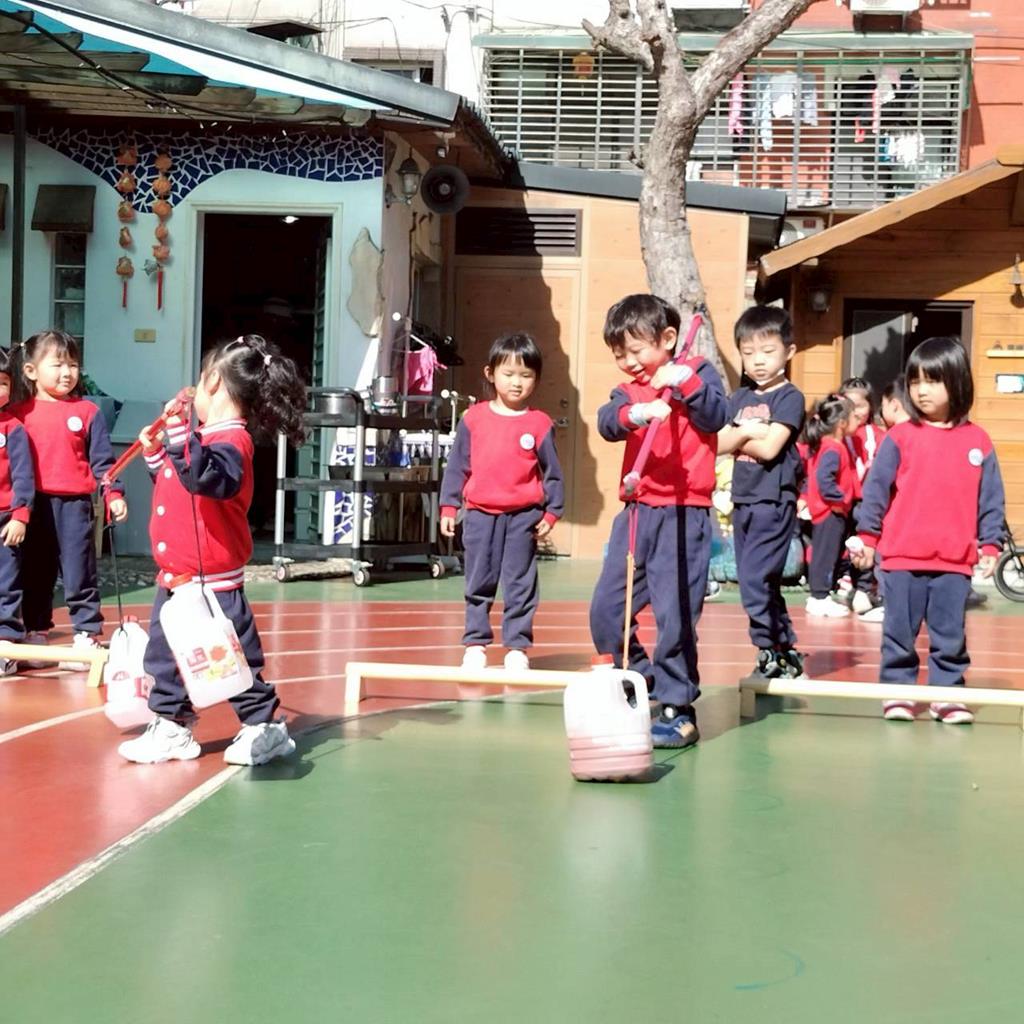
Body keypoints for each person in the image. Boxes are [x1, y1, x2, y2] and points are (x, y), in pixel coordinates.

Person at [118, 335, 307, 764]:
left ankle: (264, 727)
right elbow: (182, 484)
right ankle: (171, 726)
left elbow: (207, 479)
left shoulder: (232, 440)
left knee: (230, 659)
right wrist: (157, 455)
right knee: (165, 659)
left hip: (213, 581)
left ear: (214, 383)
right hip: (178, 576)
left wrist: (179, 437)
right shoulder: (205, 438)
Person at [589, 294, 727, 749]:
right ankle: (642, 677)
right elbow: (607, 422)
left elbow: (717, 415)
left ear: (668, 339)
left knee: (675, 614)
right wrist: (639, 413)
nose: (629, 362)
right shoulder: (630, 391)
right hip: (637, 514)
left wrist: (686, 384)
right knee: (607, 610)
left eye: (636, 350)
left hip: (684, 514)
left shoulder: (697, 372)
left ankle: (677, 706)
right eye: (619, 354)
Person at [853, 337, 1005, 724]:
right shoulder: (900, 437)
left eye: (932, 381)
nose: (921, 390)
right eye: (915, 381)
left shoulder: (978, 441)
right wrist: (868, 537)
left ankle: (946, 695)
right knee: (899, 633)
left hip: (954, 562)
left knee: (950, 636)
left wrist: (990, 545)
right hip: (901, 558)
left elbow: (991, 499)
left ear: (958, 382)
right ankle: (898, 693)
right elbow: (876, 490)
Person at [439, 333, 564, 672]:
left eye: (526, 375)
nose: (516, 382)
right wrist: (449, 506)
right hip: (480, 515)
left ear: (536, 379)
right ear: (490, 374)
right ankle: (475, 644)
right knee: (478, 579)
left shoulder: (540, 424)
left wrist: (552, 513)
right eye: (508, 374)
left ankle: (517, 647)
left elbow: (553, 473)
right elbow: (457, 465)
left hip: (523, 518)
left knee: (520, 583)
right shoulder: (473, 418)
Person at [9, 330, 127, 668]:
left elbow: (104, 462)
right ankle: (36, 630)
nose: (67, 372)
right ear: (31, 371)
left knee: (79, 570)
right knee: (35, 571)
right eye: (58, 364)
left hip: (74, 506)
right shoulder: (18, 415)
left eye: (73, 365)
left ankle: (86, 633)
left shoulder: (88, 412)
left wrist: (113, 494)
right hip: (31, 507)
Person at [718, 306, 806, 679]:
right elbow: (717, 443)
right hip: (744, 501)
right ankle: (785, 649)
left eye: (768, 352)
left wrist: (739, 435)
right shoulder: (737, 398)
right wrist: (746, 432)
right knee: (762, 582)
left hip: (774, 501)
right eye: (748, 352)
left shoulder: (790, 397)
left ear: (789, 351)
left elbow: (771, 449)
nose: (758, 361)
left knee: (753, 579)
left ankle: (767, 648)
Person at [804, 394, 857, 618]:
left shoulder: (827, 446)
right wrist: (840, 499)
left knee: (826, 553)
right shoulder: (833, 448)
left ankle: (821, 595)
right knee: (825, 555)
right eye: (854, 417)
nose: (857, 421)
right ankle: (819, 597)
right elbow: (824, 479)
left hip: (828, 511)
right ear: (842, 423)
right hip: (830, 511)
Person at [839, 376, 886, 619]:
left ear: (871, 406)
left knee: (864, 544)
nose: (855, 411)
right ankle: (844, 581)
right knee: (842, 543)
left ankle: (865, 588)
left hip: (865, 501)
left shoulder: (877, 435)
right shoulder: (837, 434)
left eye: (860, 406)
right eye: (848, 405)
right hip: (840, 500)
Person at [0, 349, 35, 674]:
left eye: (3, 383)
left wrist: (20, 515)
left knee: (6, 581)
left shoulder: (14, 428)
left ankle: (6, 642)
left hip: (5, 519)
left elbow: (23, 476)